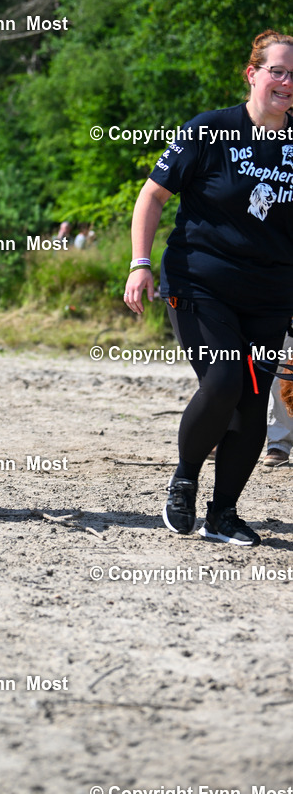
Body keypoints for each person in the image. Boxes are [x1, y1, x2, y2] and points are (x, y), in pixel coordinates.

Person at [125, 29, 293, 547]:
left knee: (252, 400)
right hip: (201, 283)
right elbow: (152, 196)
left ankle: (224, 514)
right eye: (278, 71)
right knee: (223, 382)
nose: (287, 83)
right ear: (253, 73)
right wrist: (140, 263)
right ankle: (184, 480)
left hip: (270, 295)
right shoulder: (210, 131)